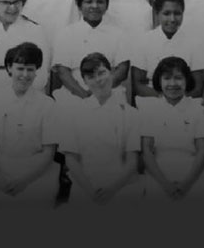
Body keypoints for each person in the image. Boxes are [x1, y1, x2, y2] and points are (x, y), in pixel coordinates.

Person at [0, 43, 62, 208]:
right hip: (2, 171)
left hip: (38, 174)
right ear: (9, 68)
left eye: (30, 69)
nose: (25, 74)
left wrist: (23, 181)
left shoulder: (47, 105)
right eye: (20, 68)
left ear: (36, 71)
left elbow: (48, 153)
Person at [61, 53, 143, 207]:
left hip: (122, 188)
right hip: (86, 188)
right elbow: (71, 159)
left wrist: (112, 190)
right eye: (91, 77)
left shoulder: (130, 114)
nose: (98, 80)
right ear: (84, 81)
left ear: (111, 72)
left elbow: (132, 161)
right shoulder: (74, 114)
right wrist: (90, 190)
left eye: (102, 73)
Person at [139, 57, 204, 202]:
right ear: (159, 81)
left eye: (178, 78)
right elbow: (146, 151)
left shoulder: (200, 111)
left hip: (194, 181)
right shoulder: (149, 111)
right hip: (158, 180)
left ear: (187, 80)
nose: (172, 84)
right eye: (167, 78)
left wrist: (186, 185)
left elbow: (203, 151)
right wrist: (165, 185)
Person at [49, 0, 130, 110]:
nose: (95, 6)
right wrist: (84, 95)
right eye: (89, 1)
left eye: (100, 1)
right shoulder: (66, 34)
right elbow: (63, 72)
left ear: (107, 5)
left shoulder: (119, 35)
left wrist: (101, 93)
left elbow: (122, 71)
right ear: (79, 4)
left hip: (110, 93)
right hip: (74, 94)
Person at [129, 0, 204, 100]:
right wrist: (164, 100)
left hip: (185, 102)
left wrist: (177, 101)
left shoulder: (195, 44)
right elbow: (138, 85)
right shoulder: (144, 41)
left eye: (177, 13)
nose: (172, 19)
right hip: (153, 100)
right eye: (167, 13)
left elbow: (198, 88)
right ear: (157, 13)